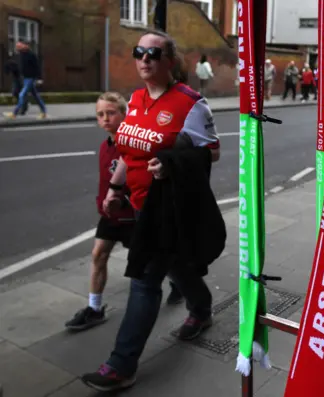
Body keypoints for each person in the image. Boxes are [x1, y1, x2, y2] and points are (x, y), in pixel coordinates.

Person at [81, 30, 224, 392]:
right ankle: (202, 308)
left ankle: (121, 365)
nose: (144, 59)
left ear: (169, 62)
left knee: (145, 280)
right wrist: (115, 188)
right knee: (175, 265)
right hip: (139, 205)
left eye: (153, 54)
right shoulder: (136, 99)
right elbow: (129, 153)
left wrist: (173, 163)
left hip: (170, 209)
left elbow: (212, 151)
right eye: (139, 52)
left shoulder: (191, 104)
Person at [65, 93, 184, 332]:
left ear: (125, 114)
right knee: (99, 254)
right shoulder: (105, 146)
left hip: (135, 216)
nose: (106, 118)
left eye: (111, 113)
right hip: (111, 215)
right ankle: (95, 308)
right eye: (101, 114)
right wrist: (104, 201)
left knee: (155, 263)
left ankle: (180, 284)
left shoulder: (136, 145)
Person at [3, 41, 46, 119]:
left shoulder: (32, 55)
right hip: (25, 78)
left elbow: (37, 67)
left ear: (25, 45)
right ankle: (44, 112)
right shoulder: (21, 55)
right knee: (36, 96)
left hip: (31, 78)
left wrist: (39, 78)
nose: (17, 47)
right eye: (17, 46)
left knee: (21, 94)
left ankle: (14, 114)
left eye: (19, 46)